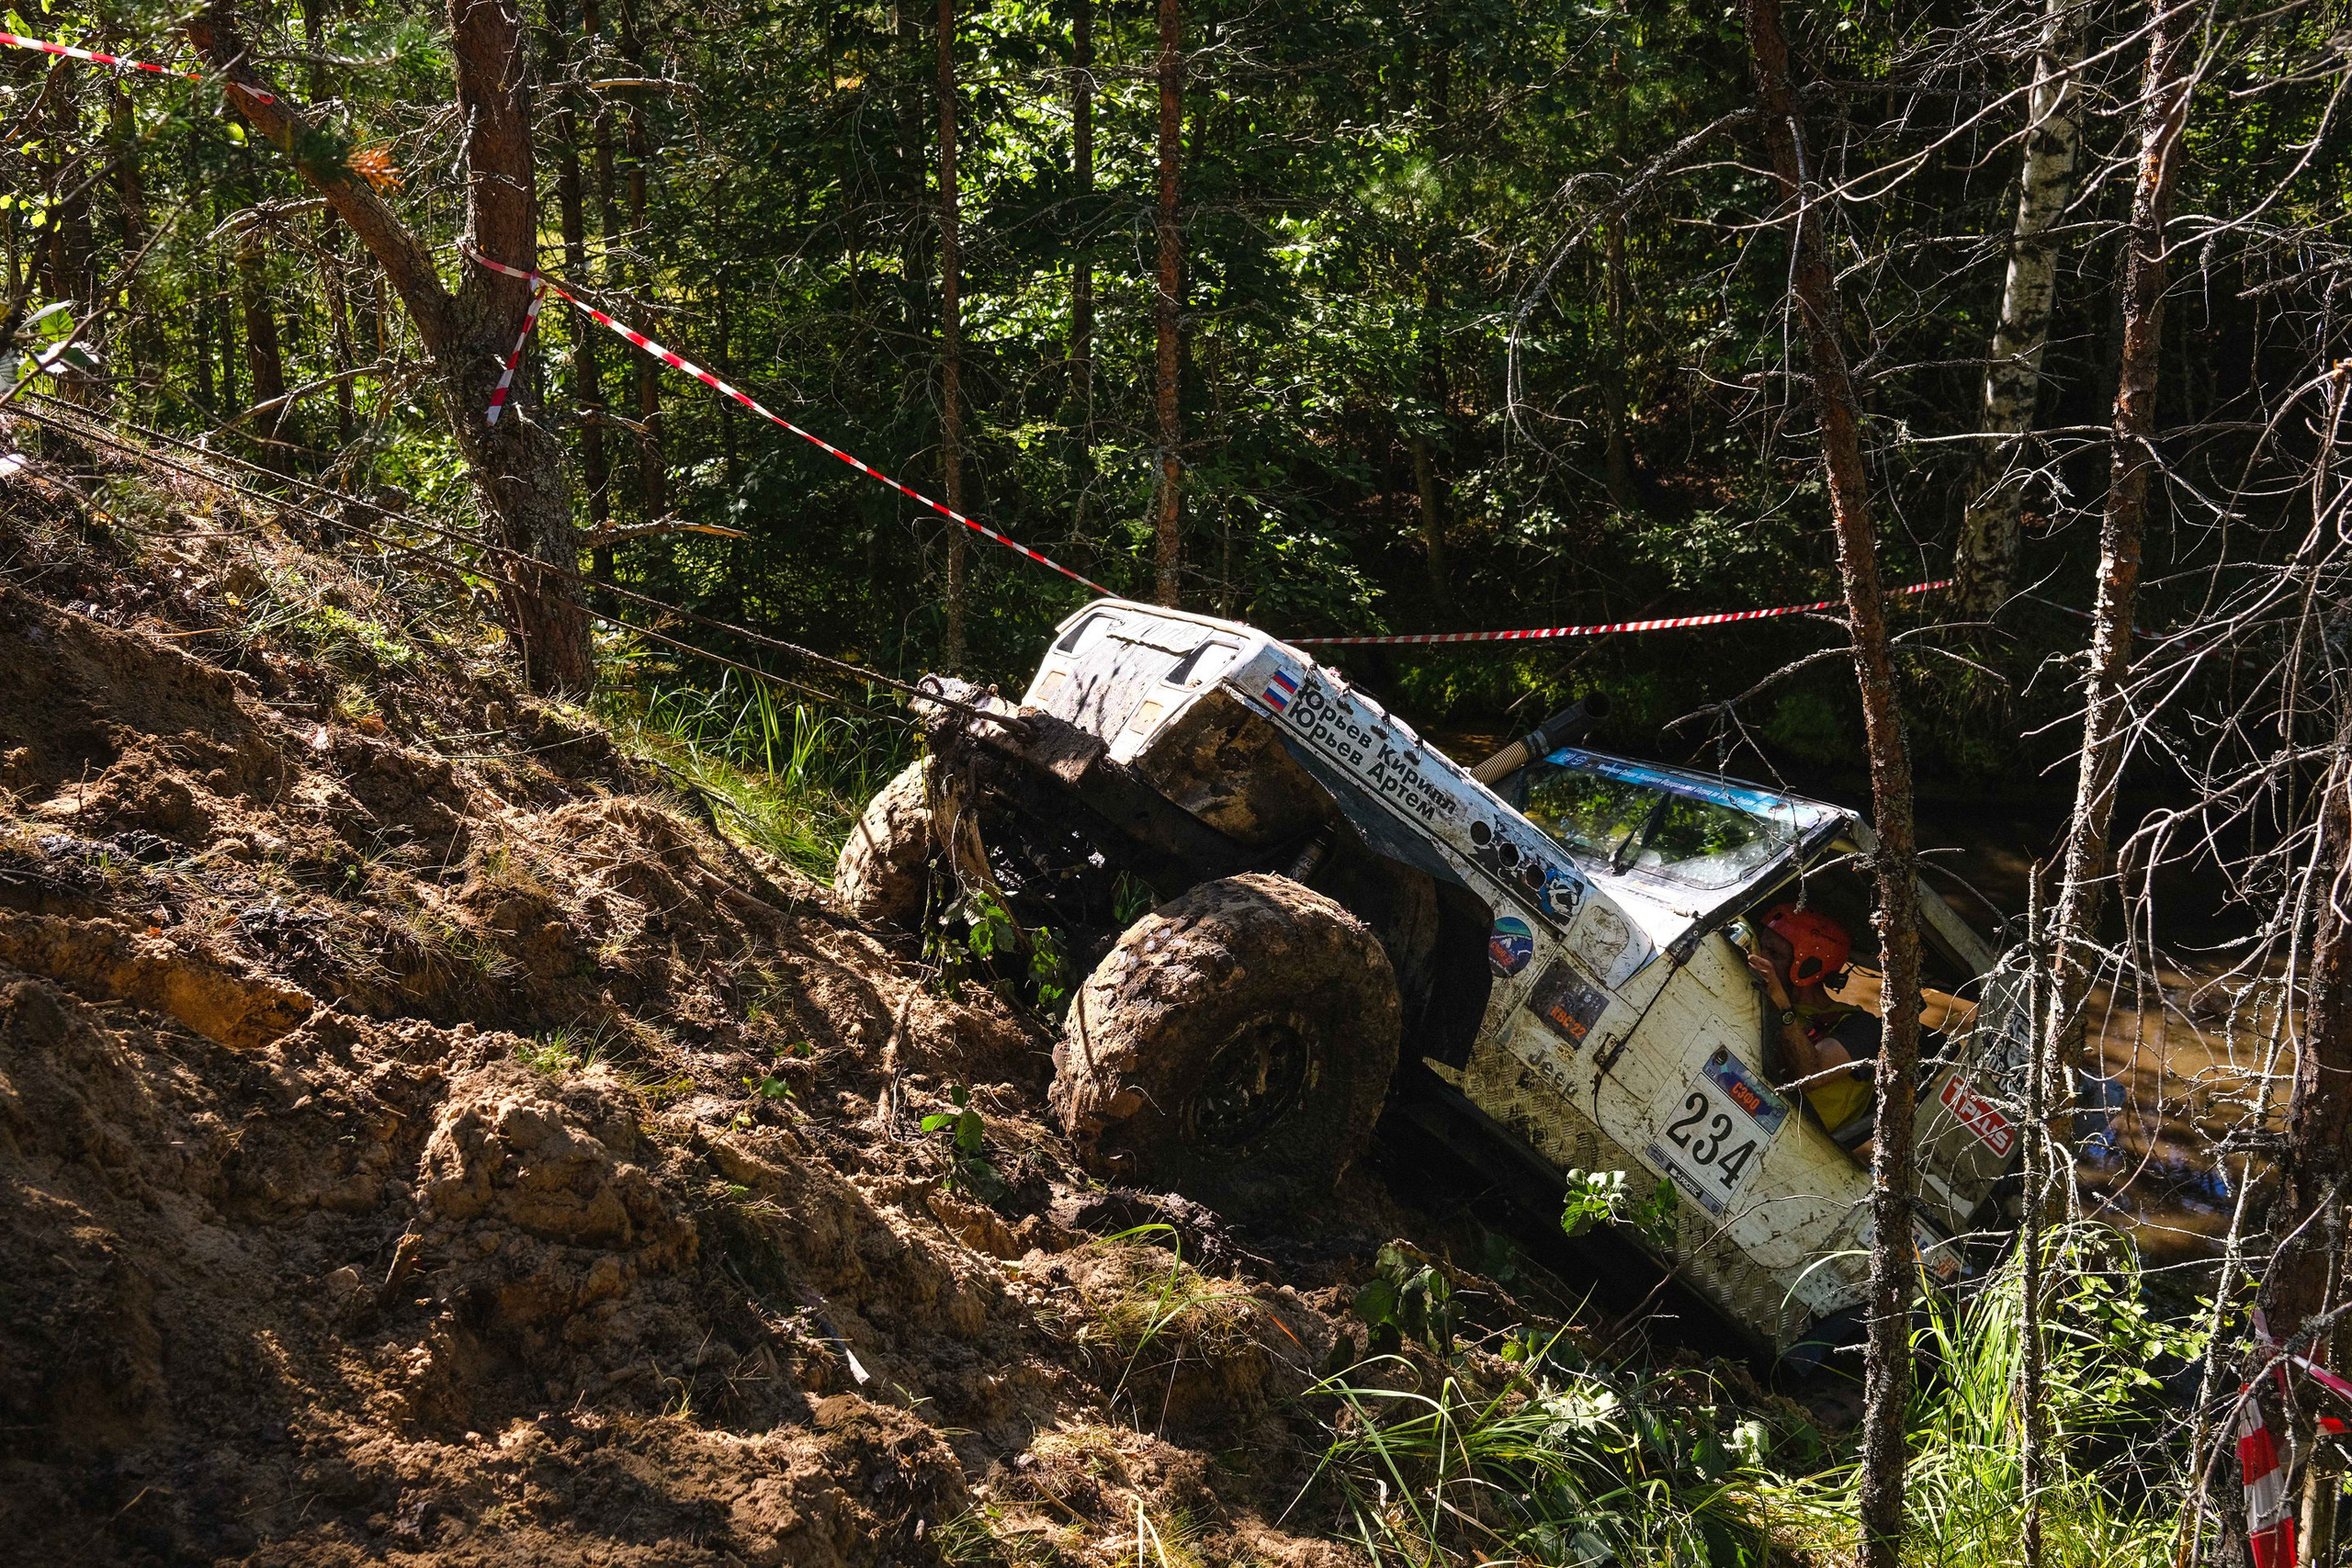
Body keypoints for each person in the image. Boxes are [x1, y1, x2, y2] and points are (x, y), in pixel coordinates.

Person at [1742, 904, 1881, 1152]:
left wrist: (1782, 1006)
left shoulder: (1861, 1026)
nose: (1762, 958)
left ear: (1807, 968)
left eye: (1774, 954)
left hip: (1796, 1146)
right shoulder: (1757, 993)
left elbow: (1811, 1074)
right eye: (1762, 947)